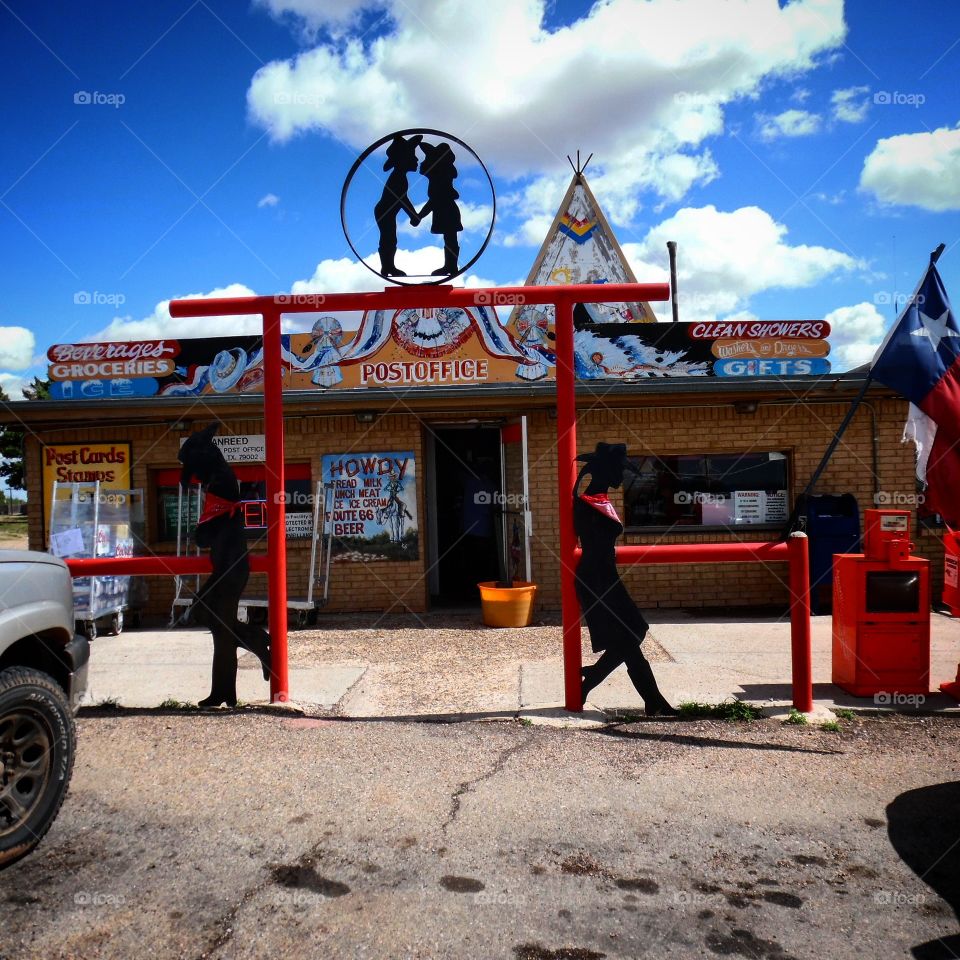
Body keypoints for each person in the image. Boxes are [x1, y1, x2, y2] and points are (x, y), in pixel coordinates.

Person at [574, 442, 678, 716]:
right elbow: (593, 544)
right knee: (631, 634)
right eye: (619, 468)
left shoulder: (598, 499)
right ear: (606, 469)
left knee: (633, 633)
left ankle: (592, 678)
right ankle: (653, 700)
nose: (622, 474)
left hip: (605, 574)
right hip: (596, 577)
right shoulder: (588, 501)